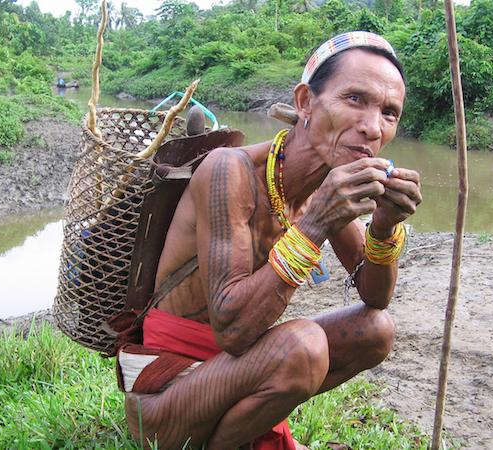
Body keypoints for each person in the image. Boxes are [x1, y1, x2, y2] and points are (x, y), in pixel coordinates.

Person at [118, 31, 422, 449]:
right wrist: (314, 224)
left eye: (389, 112)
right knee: (302, 346)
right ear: (305, 103)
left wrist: (385, 226)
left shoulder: (322, 189)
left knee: (376, 330)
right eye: (354, 99)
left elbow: (375, 298)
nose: (372, 127)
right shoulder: (230, 171)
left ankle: (239, 427)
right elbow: (233, 331)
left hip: (234, 373)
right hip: (167, 394)